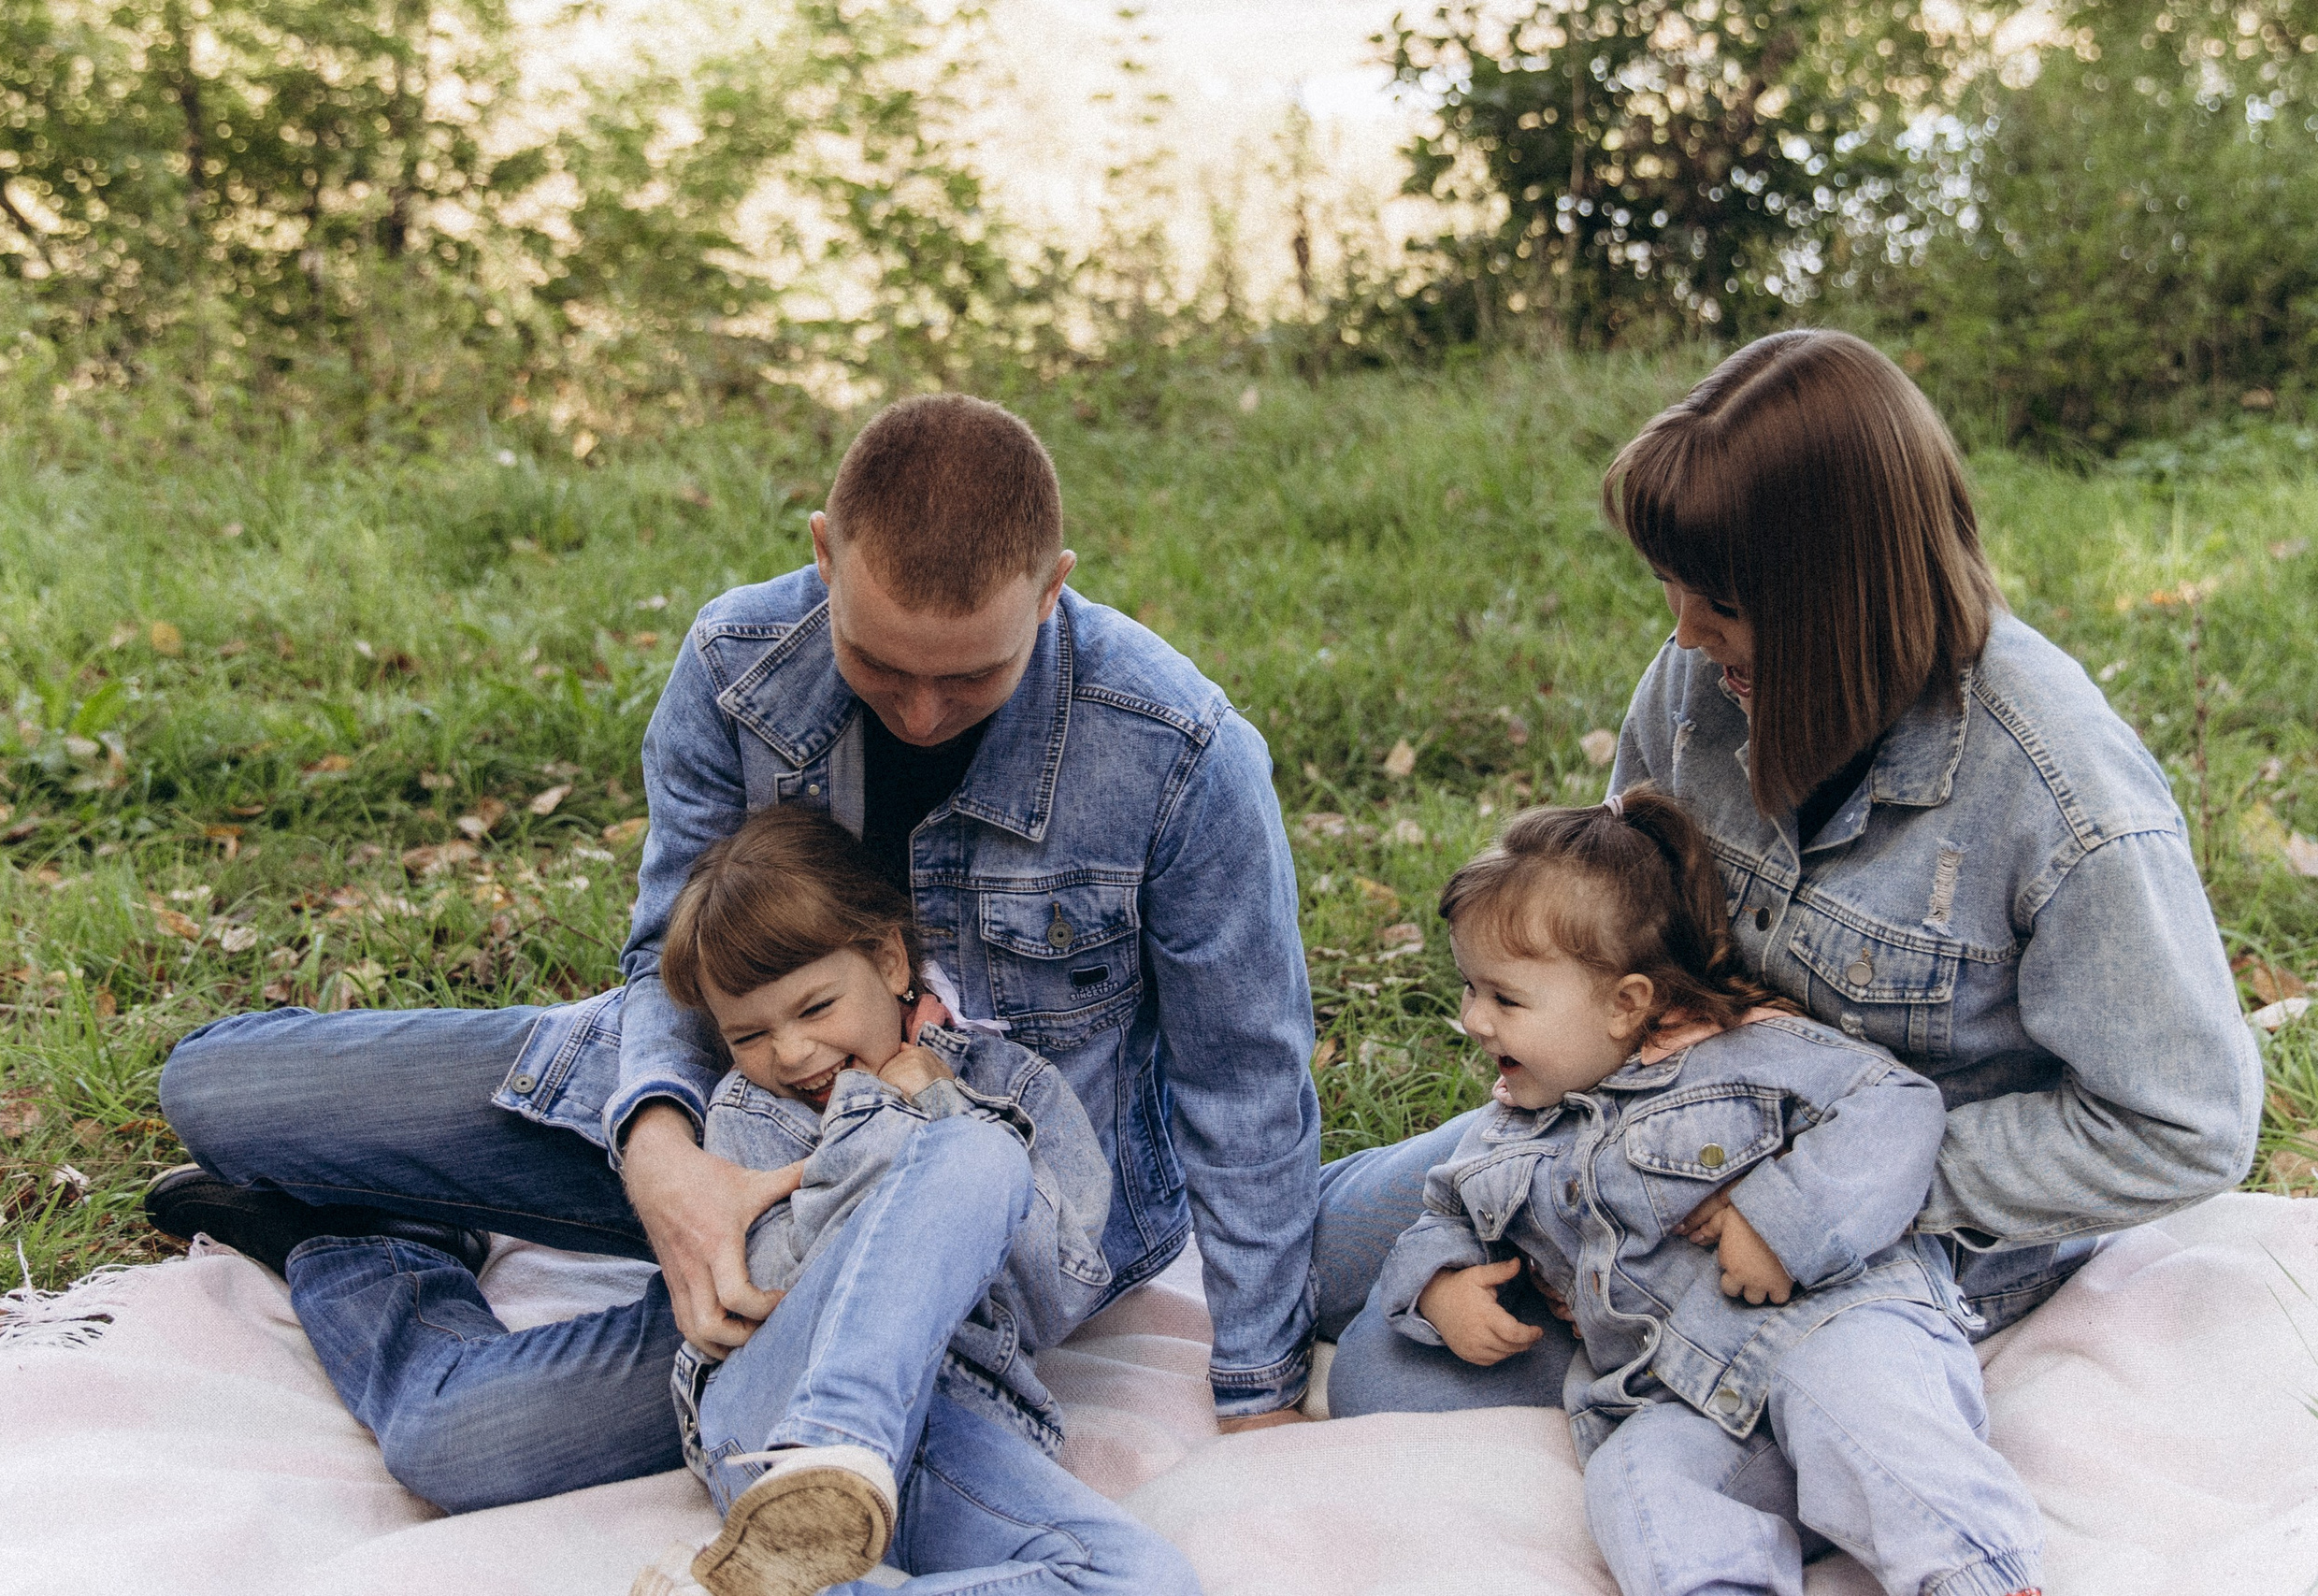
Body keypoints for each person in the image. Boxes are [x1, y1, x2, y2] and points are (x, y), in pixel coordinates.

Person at [148, 393, 1318, 1515]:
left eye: (970, 675)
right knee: (217, 1090)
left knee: (459, 1441)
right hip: (719, 1096)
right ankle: (459, 1194)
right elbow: (663, 954)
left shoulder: (1180, 751)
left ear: (1052, 591)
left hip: (907, 1228)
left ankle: (365, 1242)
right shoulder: (736, 662)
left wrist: (1258, 1391)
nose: (919, 712)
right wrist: (663, 1156)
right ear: (823, 555)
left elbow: (1246, 1079)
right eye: (880, 664)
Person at [1315, 327, 2264, 1416]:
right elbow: (1621, 926)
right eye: (1672, 588)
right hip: (1654, 1121)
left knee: (1388, 1380)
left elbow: (2187, 1126)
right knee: (1319, 1243)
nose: (1683, 635)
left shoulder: (2064, 799)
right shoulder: (1701, 688)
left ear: (1845, 599)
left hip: (1887, 1227)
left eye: (1720, 605)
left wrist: (1818, 1193)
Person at [1377, 789, 2043, 1596]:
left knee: (1859, 1409)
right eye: (1469, 989)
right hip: (1673, 1394)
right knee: (1636, 1481)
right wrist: (1440, 1286)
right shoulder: (1504, 1133)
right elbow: (1444, 1211)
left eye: (1505, 998)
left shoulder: (1739, 1052)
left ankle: (1977, 1577)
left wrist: (1783, 1222)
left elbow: (1895, 1104)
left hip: (1829, 1320)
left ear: (1626, 1003)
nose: (1475, 1020)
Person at [638, 804, 1192, 1596]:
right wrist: (876, 1119)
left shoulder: (1013, 1085)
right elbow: (769, 1294)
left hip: (950, 1422)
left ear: (891, 959)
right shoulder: (749, 1111)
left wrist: (944, 1107)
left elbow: (1055, 1297)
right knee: (976, 1149)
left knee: (1147, 1579)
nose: (790, 1052)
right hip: (770, 1424)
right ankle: (829, 1443)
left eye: (815, 1007)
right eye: (748, 1035)